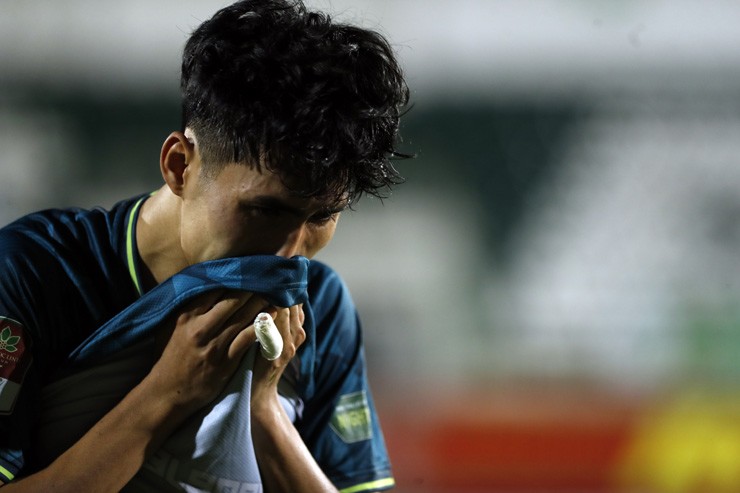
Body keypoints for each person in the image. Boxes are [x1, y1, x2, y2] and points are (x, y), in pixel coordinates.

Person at [0, 0, 410, 491]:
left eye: (322, 217)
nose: (288, 256)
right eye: (266, 211)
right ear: (180, 165)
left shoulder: (322, 304)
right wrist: (165, 395)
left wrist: (262, 410)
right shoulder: (33, 270)